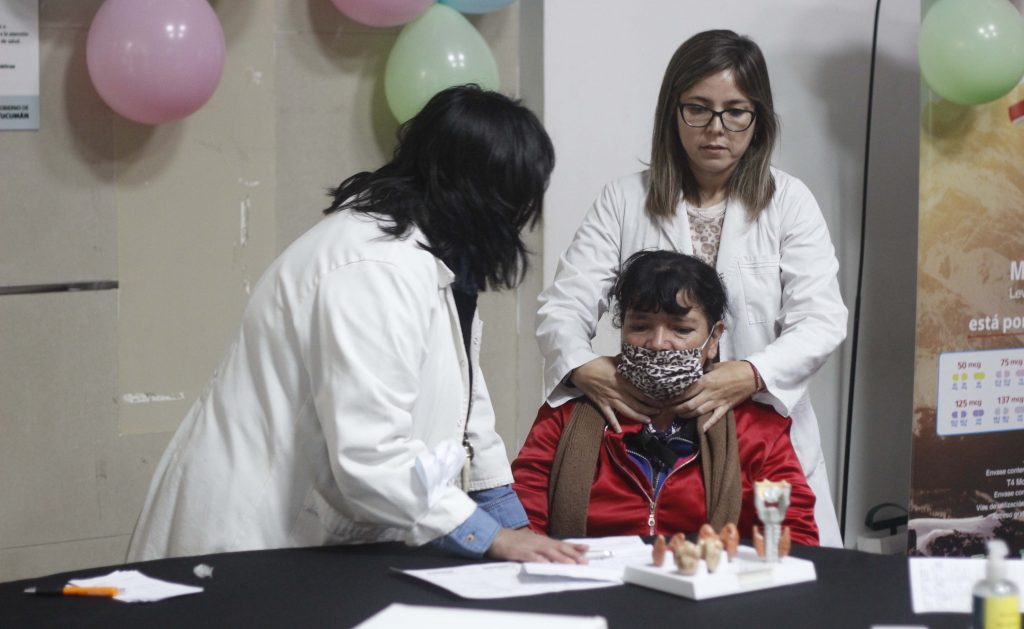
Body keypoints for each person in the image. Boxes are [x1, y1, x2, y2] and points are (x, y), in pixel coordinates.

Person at [128, 85, 587, 564]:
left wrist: (509, 520)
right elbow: (371, 455)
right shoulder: (374, 266)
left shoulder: (431, 257)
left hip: (305, 544)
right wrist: (489, 536)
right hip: (245, 540)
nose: (515, 221)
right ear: (478, 192)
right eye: (512, 200)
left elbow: (467, 402)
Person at [535, 29, 847, 546]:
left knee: (778, 574)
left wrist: (751, 374)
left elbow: (821, 319)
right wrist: (582, 366)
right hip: (651, 440)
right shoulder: (623, 201)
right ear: (672, 111)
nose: (715, 129)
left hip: (758, 442)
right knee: (653, 567)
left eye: (736, 112)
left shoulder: (789, 202)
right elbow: (562, 306)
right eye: (698, 109)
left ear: (759, 118)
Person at [515, 251, 818, 544]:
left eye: (681, 329)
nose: (658, 343)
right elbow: (521, 527)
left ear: (714, 338)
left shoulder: (757, 431)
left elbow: (795, 541)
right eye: (640, 326)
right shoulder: (565, 419)